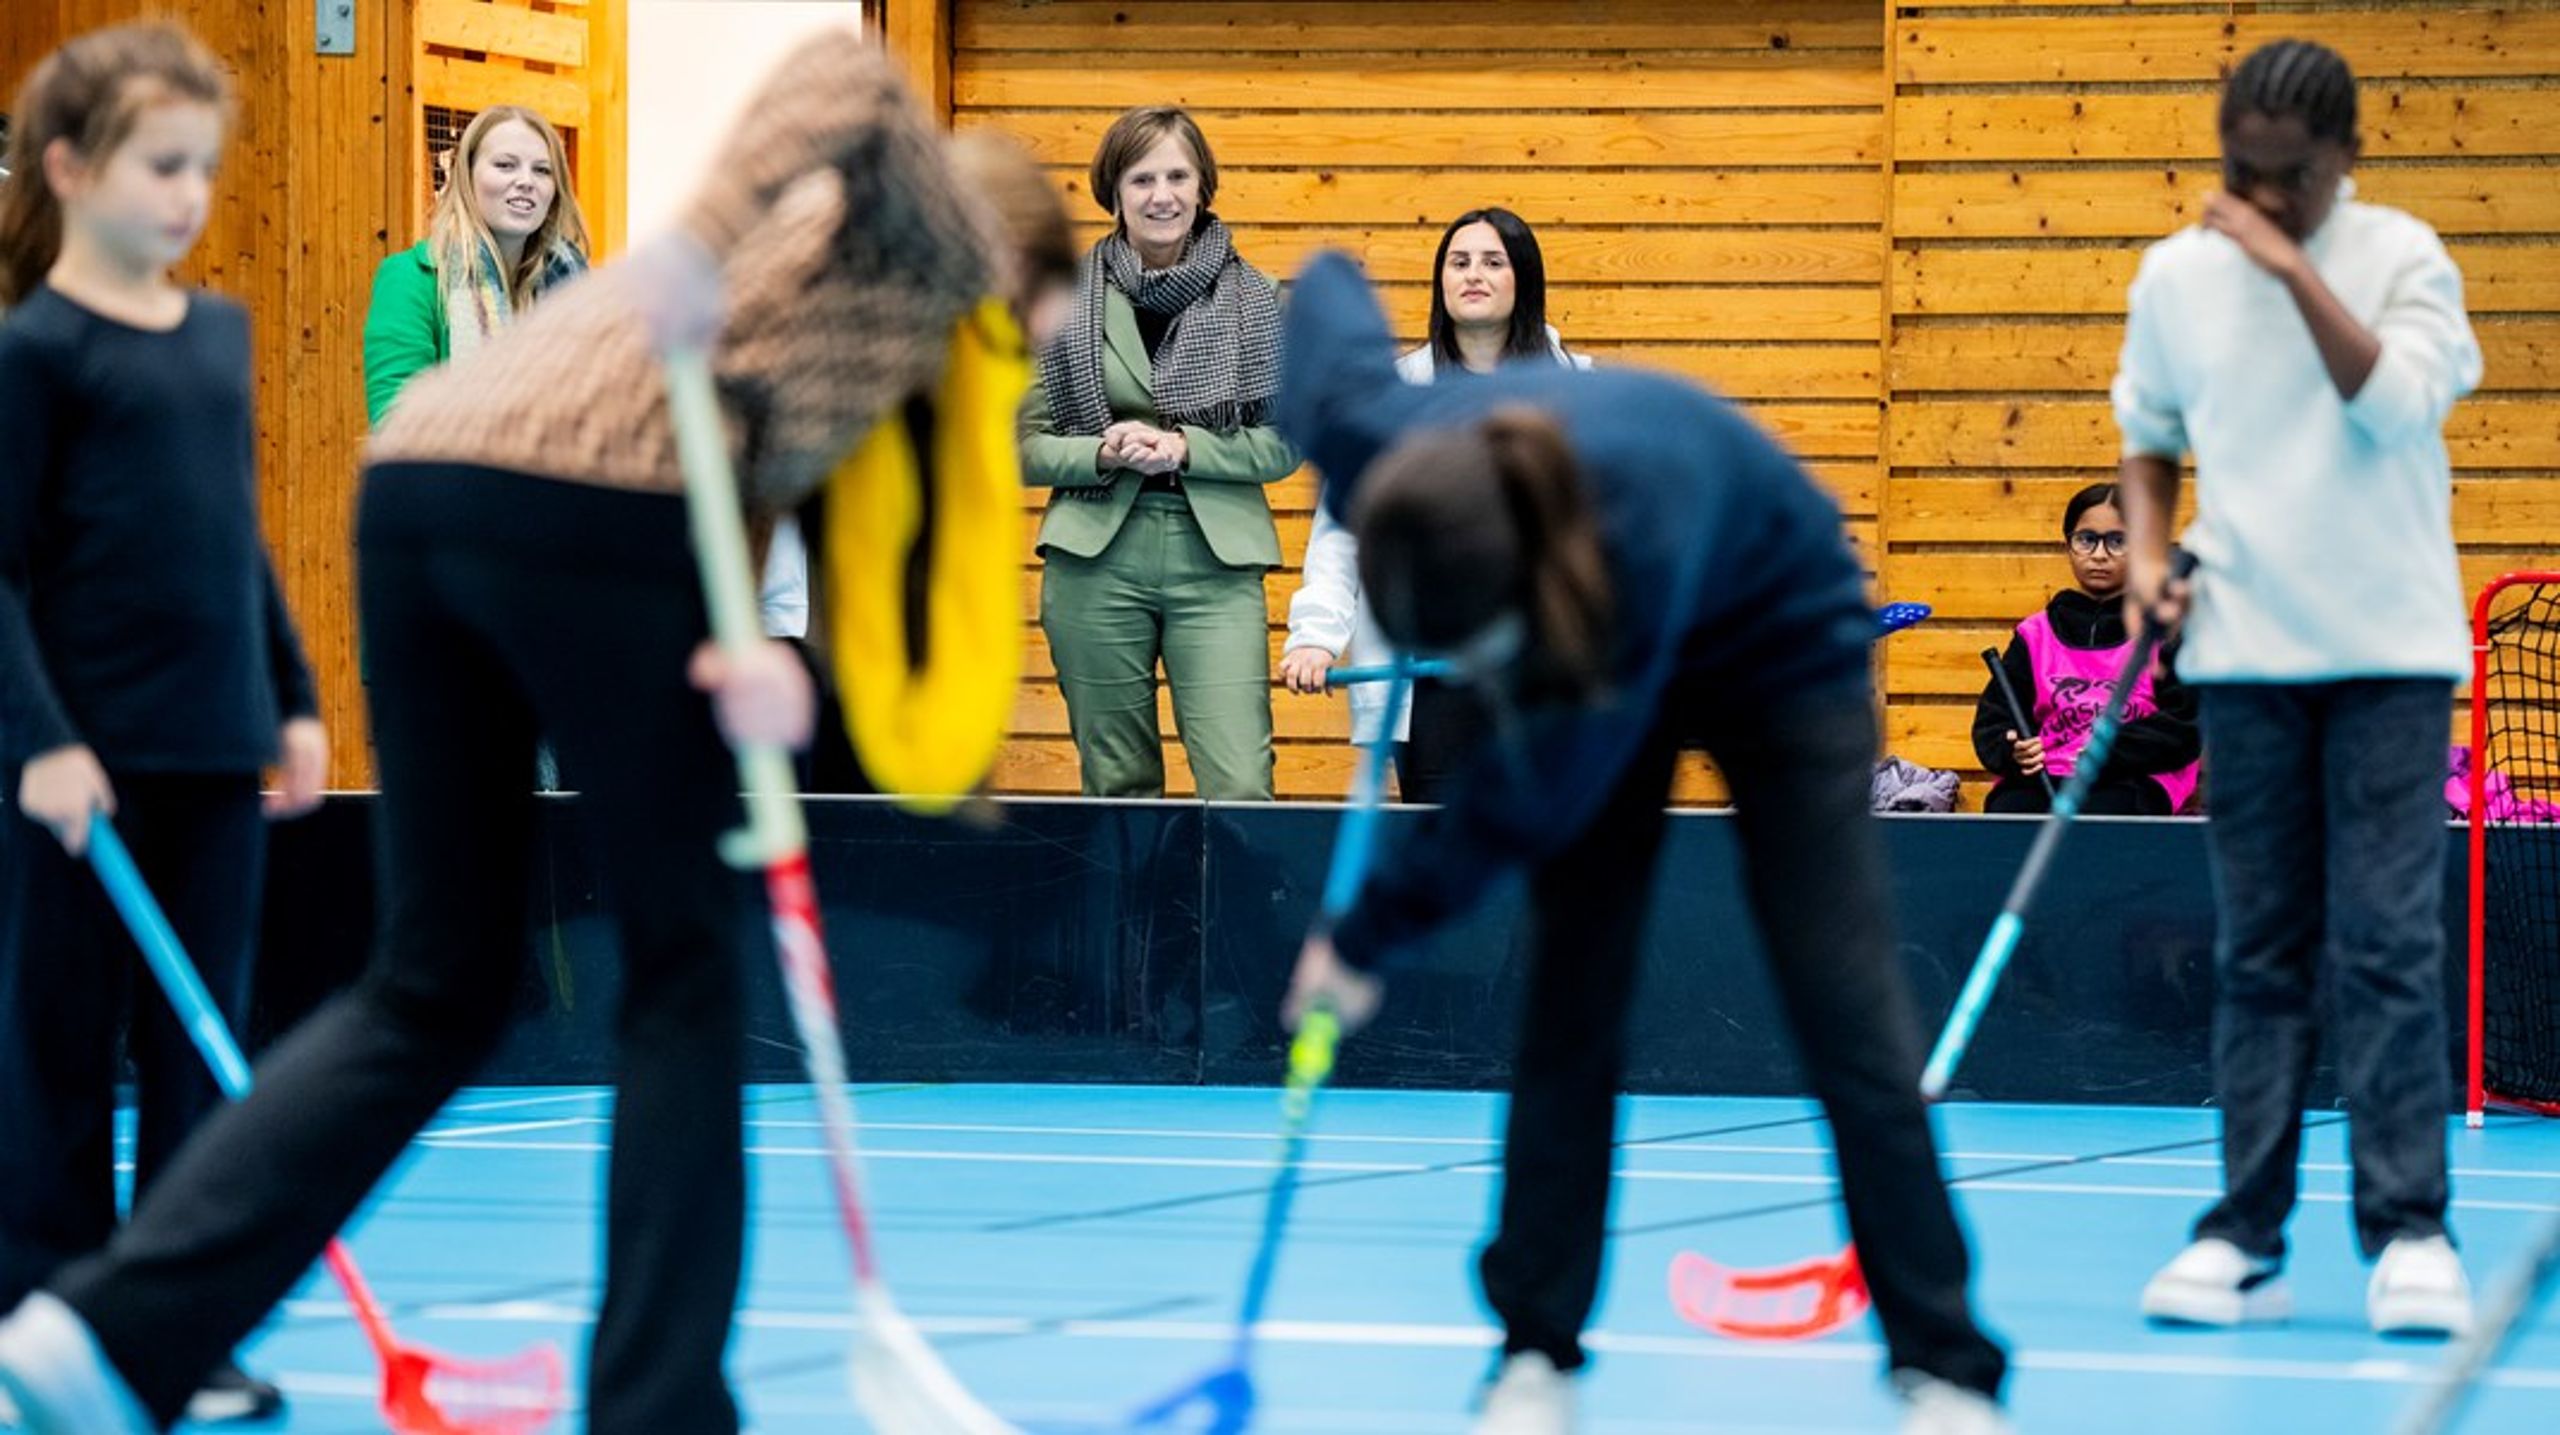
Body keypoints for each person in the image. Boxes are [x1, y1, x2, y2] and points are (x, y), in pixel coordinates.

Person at [0, 31, 1076, 1433]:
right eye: (1039, 332)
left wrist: (755, 645)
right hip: (582, 508)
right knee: (682, 974)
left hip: (429, 492)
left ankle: (104, 1332)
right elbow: (846, 77)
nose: (1017, 367)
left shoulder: (832, 300)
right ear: (1019, 265)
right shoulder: (934, 238)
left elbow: (741, 442)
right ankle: (659, 1402)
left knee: (433, 983)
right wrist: (693, 240)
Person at [1274, 252, 2009, 1435]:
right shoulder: (1373, 432)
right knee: (1574, 989)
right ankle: (1535, 1350)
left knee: (1839, 994)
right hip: (1598, 596)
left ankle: (1948, 1363)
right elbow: (1324, 286)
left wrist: (1358, 939)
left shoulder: (1622, 587)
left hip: (1778, 627)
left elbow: (1517, 796)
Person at [2116, 39, 2482, 1337]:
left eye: (2290, 177)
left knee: (2386, 941)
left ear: (2347, 159)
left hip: (2390, 652)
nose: (2261, 197)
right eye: (2240, 171)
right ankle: (2243, 1232)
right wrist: (2153, 559)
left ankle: (2411, 1229)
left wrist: (2287, 269)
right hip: (2247, 655)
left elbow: (2391, 407)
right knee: (2261, 954)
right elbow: (2149, 438)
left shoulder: (2408, 258)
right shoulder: (2173, 278)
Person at [0, 22, 327, 1426]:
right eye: (162, 165)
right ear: (69, 169)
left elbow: (233, 536)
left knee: (204, 1057)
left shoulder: (216, 334)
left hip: (212, 749)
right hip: (80, 763)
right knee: (59, 1049)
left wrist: (296, 696)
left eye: (205, 166)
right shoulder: (37, 351)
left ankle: (175, 1325)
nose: (192, 193)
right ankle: (45, 1311)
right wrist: (40, 741)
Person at [1022, 105, 1297, 801]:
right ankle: (1131, 917)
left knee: (1239, 784)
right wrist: (1102, 453)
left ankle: (1231, 916)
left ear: (1204, 185)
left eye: (1178, 175)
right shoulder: (1058, 301)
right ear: (1113, 191)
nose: (1162, 195)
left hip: (1217, 561)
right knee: (1118, 783)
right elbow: (1022, 448)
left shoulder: (1260, 299)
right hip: (1095, 557)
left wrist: (1183, 446)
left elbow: (1286, 441)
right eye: (1142, 178)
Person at [1281, 207, 1588, 799]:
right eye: (1459, 262)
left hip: (1542, 669)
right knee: (1446, 851)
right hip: (1431, 680)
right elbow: (1343, 534)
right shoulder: (1392, 398)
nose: (1473, 275)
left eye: (1493, 262)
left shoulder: (1577, 391)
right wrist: (1315, 635)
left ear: (1523, 278)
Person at [1971, 482, 2200, 815]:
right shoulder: (2035, 634)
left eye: (2118, 541)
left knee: (2106, 814)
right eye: (2086, 540)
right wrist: (2012, 750)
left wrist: (2116, 748)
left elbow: (2187, 725)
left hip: (2130, 776)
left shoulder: (2164, 633)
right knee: (2010, 811)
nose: (2099, 554)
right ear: (2068, 546)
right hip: (2047, 776)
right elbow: (1995, 719)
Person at [362, 103, 589, 424]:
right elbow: (398, 429)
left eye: (542, 170)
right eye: (505, 165)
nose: (526, 181)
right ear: (467, 177)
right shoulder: (409, 279)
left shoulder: (576, 289)